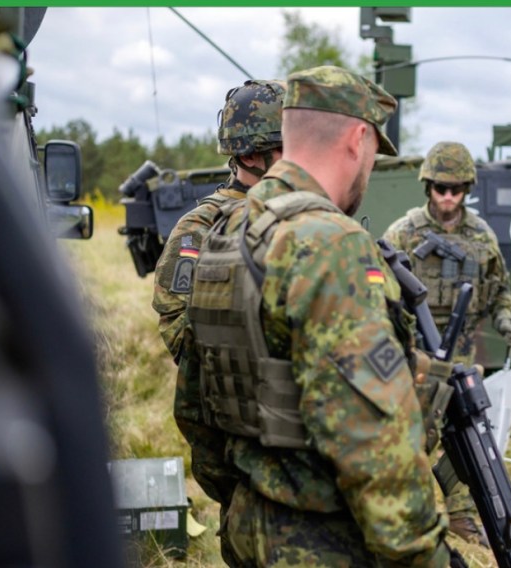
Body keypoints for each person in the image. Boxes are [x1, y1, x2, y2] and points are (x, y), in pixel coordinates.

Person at [184, 65, 455, 566]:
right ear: (358, 138)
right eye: (374, 151)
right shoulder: (329, 243)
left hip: (247, 525)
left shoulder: (223, 234)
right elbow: (374, 446)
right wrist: (426, 556)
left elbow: (195, 407)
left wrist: (247, 494)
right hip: (324, 541)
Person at [151, 79, 285, 564]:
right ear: (252, 155)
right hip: (239, 427)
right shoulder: (201, 228)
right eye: (285, 147)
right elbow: (183, 337)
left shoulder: (302, 213)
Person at [382, 141, 511, 368]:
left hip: (462, 352)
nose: (447, 196)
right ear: (428, 186)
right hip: (414, 348)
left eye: (455, 190)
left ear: (466, 189)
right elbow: (381, 290)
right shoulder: (403, 233)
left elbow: (499, 289)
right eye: (440, 188)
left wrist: (505, 320)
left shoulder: (482, 236)